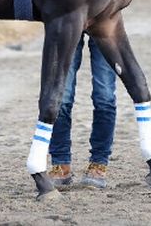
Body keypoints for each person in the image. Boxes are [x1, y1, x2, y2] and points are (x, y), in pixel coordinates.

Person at [47, 34, 117, 190]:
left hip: (104, 22)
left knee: (104, 97)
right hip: (68, 21)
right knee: (61, 98)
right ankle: (61, 164)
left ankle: (99, 163)